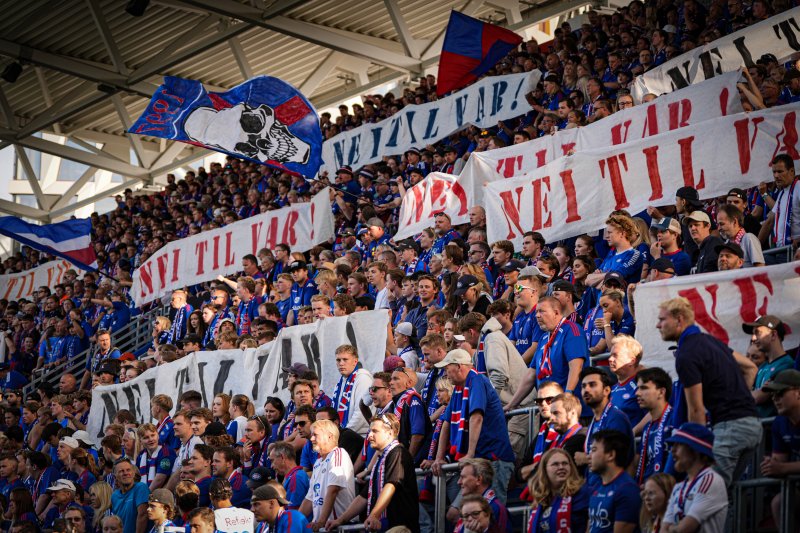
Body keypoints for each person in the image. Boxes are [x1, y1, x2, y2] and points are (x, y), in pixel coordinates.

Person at [657, 297, 761, 487]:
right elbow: (750, 367)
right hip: (752, 425)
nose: (658, 325)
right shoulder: (711, 341)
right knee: (722, 496)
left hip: (730, 429)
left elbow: (696, 411)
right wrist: (742, 401)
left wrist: (697, 454)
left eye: (662, 319)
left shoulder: (686, 353)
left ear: (679, 320)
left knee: (703, 490)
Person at [432, 349, 515, 503]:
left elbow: (476, 417)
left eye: (447, 368)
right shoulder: (458, 389)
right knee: (460, 512)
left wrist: (469, 455)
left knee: (491, 512)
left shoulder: (477, 381)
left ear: (459, 367)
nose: (445, 373)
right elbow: (446, 423)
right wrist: (439, 457)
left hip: (493, 459)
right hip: (479, 460)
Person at [326, 414, 419, 532]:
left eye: (375, 431)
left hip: (399, 527)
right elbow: (363, 497)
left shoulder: (398, 453)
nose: (369, 435)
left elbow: (391, 485)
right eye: (370, 431)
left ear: (390, 433)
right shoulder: (381, 460)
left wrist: (374, 515)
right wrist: (340, 520)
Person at [460, 312, 534, 459]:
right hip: (510, 407)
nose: (465, 341)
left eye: (464, 336)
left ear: (471, 331)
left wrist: (488, 403)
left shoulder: (492, 339)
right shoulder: (486, 341)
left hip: (521, 407)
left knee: (508, 458)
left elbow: (499, 374)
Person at [506, 297, 588, 412]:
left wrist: (567, 396)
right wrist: (511, 404)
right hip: (548, 410)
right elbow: (531, 374)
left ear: (556, 312)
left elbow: (576, 366)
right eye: (536, 312)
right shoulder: (543, 338)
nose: (537, 316)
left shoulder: (572, 330)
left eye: (542, 311)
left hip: (570, 410)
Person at [663, 423, 729, 532]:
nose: (673, 450)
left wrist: (672, 528)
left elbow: (684, 529)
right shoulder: (678, 487)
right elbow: (663, 530)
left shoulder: (711, 480)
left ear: (696, 450)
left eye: (679, 444)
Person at [576, 367, 634, 487]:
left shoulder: (616, 418)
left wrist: (586, 459)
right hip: (595, 488)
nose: (586, 390)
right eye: (583, 386)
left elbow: (617, 458)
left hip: (613, 490)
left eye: (592, 385)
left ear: (607, 390)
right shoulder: (595, 420)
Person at [298, 419, 356, 529]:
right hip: (323, 526)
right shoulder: (317, 463)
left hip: (339, 526)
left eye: (315, 435)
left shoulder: (338, 454)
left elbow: (333, 490)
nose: (311, 439)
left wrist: (321, 522)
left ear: (329, 436)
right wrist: (294, 523)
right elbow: (309, 499)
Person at [761, 369, 800, 524]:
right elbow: (779, 462)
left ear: (798, 393)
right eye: (772, 395)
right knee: (779, 502)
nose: (775, 399)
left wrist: (782, 469)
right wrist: (770, 466)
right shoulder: (780, 422)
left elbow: (782, 467)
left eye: (780, 393)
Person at [587, 430, 641, 533]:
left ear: (610, 455)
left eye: (594, 450)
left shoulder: (627, 490)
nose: (589, 456)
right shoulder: (597, 487)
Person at [527, 448, 591, 532]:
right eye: (555, 464)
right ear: (544, 470)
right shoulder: (540, 500)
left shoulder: (582, 493)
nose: (561, 467)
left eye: (565, 463)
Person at [745, 315, 794, 417]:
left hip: (771, 428)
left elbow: (757, 397)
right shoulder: (762, 367)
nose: (754, 338)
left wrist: (752, 394)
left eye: (758, 333)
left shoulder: (786, 365)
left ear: (773, 335)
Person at [449, 458, 510, 533]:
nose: (459, 482)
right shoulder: (470, 506)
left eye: (463, 477)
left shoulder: (495, 508)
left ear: (478, 479)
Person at [635, 367, 674, 485]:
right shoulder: (647, 428)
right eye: (637, 388)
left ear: (661, 392)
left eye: (644, 388)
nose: (637, 393)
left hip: (667, 490)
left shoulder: (674, 421)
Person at [331, 344, 373, 436]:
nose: (341, 363)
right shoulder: (340, 382)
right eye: (338, 360)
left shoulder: (363, 378)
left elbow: (360, 414)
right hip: (344, 434)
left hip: (360, 435)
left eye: (345, 359)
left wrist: (343, 434)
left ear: (355, 361)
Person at [607, 335, 647, 429]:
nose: (610, 359)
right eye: (610, 355)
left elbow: (653, 415)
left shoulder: (642, 387)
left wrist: (633, 432)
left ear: (631, 361)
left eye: (615, 355)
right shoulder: (612, 389)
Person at [110, 458, 148, 533]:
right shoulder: (114, 496)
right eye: (121, 471)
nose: (125, 473)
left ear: (133, 473)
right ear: (115, 477)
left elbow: (143, 515)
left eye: (128, 470)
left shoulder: (141, 487)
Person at [268, 441, 309, 511]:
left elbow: (293, 512)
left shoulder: (296, 478)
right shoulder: (293, 476)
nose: (271, 466)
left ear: (282, 457)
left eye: (272, 460)